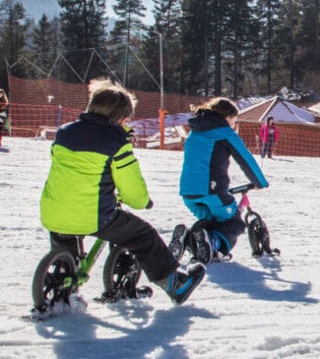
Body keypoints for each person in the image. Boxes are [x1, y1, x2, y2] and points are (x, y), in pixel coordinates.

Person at [39, 79, 204, 305]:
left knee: (67, 239)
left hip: (53, 211)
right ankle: (174, 282)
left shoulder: (64, 133)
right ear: (121, 118)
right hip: (94, 215)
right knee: (143, 235)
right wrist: (143, 202)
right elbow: (132, 191)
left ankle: (64, 289)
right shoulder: (116, 142)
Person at [179, 97, 269, 263]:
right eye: (234, 121)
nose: (234, 126)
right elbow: (245, 158)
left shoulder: (195, 131)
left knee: (212, 222)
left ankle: (187, 239)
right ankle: (215, 244)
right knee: (233, 222)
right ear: (226, 118)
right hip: (212, 191)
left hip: (188, 192)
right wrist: (259, 182)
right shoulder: (224, 132)